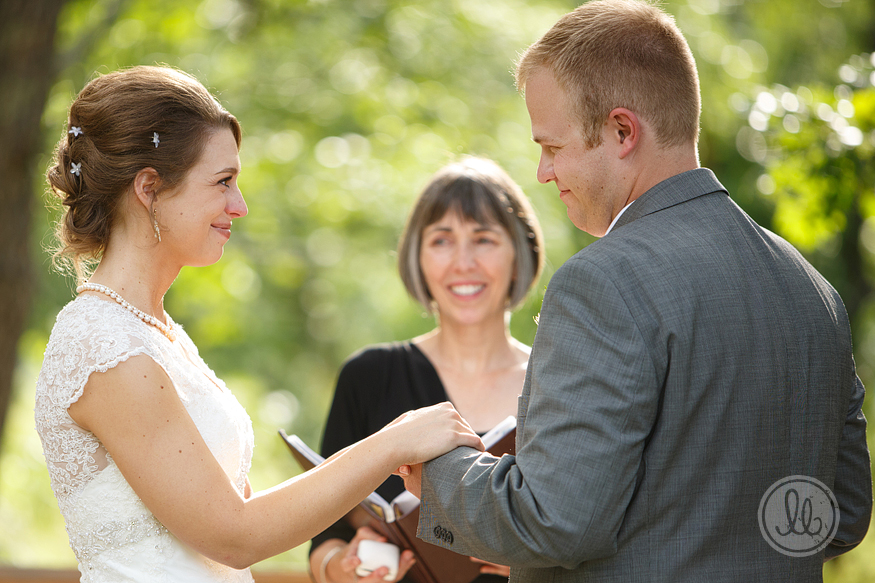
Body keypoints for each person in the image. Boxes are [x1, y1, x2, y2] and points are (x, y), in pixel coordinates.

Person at [402, 1, 873, 581]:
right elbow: (841, 515)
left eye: (552, 147)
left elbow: (555, 520)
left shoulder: (602, 283)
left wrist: (442, 476)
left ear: (622, 131)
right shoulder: (812, 290)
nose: (543, 172)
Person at [34, 65, 483, 583]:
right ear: (150, 189)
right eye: (223, 182)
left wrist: (352, 547)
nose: (239, 206)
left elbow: (236, 517)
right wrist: (394, 442)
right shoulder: (103, 346)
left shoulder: (156, 333)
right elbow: (234, 537)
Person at [308, 157, 545, 583]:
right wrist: (340, 570)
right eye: (441, 240)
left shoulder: (558, 383)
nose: (463, 262)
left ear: (520, 252)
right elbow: (325, 539)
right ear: (416, 256)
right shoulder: (369, 376)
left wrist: (543, 568)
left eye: (484, 239)